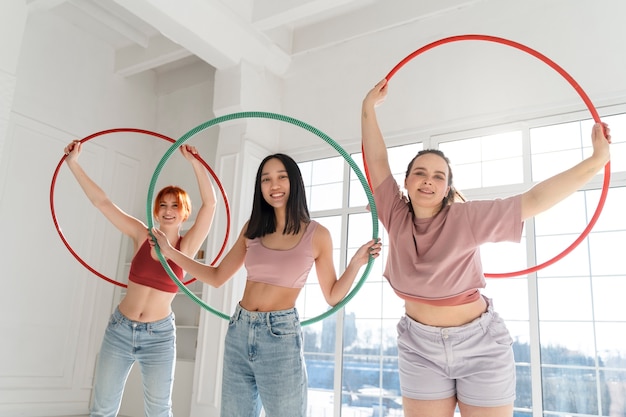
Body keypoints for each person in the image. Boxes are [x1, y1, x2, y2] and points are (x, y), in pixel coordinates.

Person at [361, 79, 611, 417]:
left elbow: (534, 199)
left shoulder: (467, 217)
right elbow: (376, 159)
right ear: (405, 182)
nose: (428, 180)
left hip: (479, 345)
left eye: (438, 176)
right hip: (418, 347)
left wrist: (596, 161)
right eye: (420, 173)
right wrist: (367, 108)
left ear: (448, 187)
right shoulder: (393, 213)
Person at [150, 153, 382, 417]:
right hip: (239, 330)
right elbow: (216, 277)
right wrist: (169, 252)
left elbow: (332, 296)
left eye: (282, 177)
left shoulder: (317, 235)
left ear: (294, 182)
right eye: (266, 179)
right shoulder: (253, 228)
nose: (274, 185)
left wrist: (355, 264)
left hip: (280, 337)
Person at [63, 140, 217, 417]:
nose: (168, 210)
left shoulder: (187, 246)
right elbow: (102, 202)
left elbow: (211, 204)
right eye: (163, 205)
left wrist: (195, 162)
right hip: (120, 330)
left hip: (159, 336)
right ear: (156, 210)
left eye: (175, 206)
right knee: (102, 409)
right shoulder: (140, 233)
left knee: (159, 411)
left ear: (185, 213)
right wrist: (73, 163)